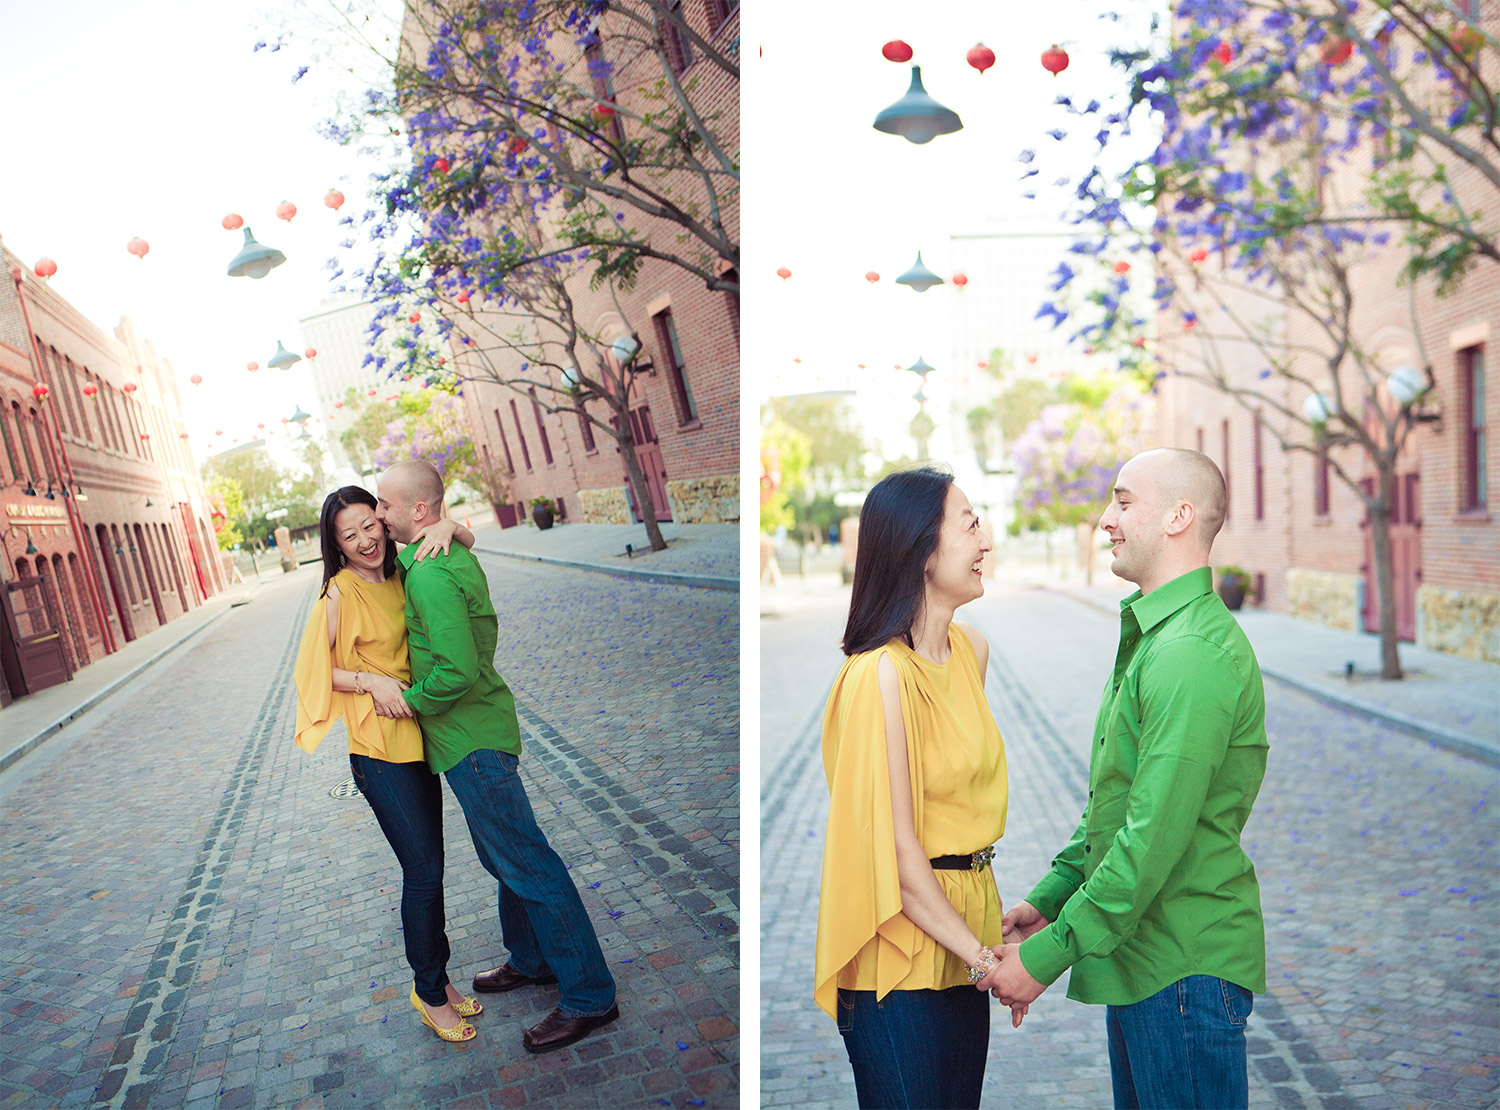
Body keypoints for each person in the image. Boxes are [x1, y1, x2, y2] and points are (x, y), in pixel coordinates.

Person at [988, 448, 1269, 1110]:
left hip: (1182, 969)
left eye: (1123, 500)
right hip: (1144, 962)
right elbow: (1115, 806)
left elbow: (1150, 839)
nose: (1105, 518)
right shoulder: (1157, 636)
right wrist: (1053, 896)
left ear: (1179, 516)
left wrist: (1046, 957)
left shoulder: (1189, 652)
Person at [375, 460, 619, 1054]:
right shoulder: (438, 553)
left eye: (384, 504)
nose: (379, 515)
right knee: (503, 857)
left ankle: (590, 996)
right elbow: (455, 544)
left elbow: (454, 670)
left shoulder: (429, 575)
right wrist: (456, 526)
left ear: (417, 511)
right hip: (479, 731)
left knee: (529, 864)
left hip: (472, 740)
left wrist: (408, 702)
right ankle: (532, 959)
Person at [813, 466, 1018, 1110]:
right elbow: (898, 858)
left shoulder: (972, 651)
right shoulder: (879, 676)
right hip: (902, 949)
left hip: (968, 927)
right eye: (970, 524)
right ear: (921, 551)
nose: (986, 541)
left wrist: (984, 947)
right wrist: (985, 962)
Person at [292, 485, 483, 1044]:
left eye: (368, 526)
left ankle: (440, 981)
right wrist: (370, 679)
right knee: (421, 870)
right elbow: (313, 673)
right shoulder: (338, 594)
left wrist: (450, 528)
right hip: (379, 752)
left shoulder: (404, 570)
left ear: (382, 519)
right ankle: (428, 991)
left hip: (421, 737)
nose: (364, 541)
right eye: (347, 536)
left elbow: (462, 537)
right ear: (337, 546)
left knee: (434, 866)